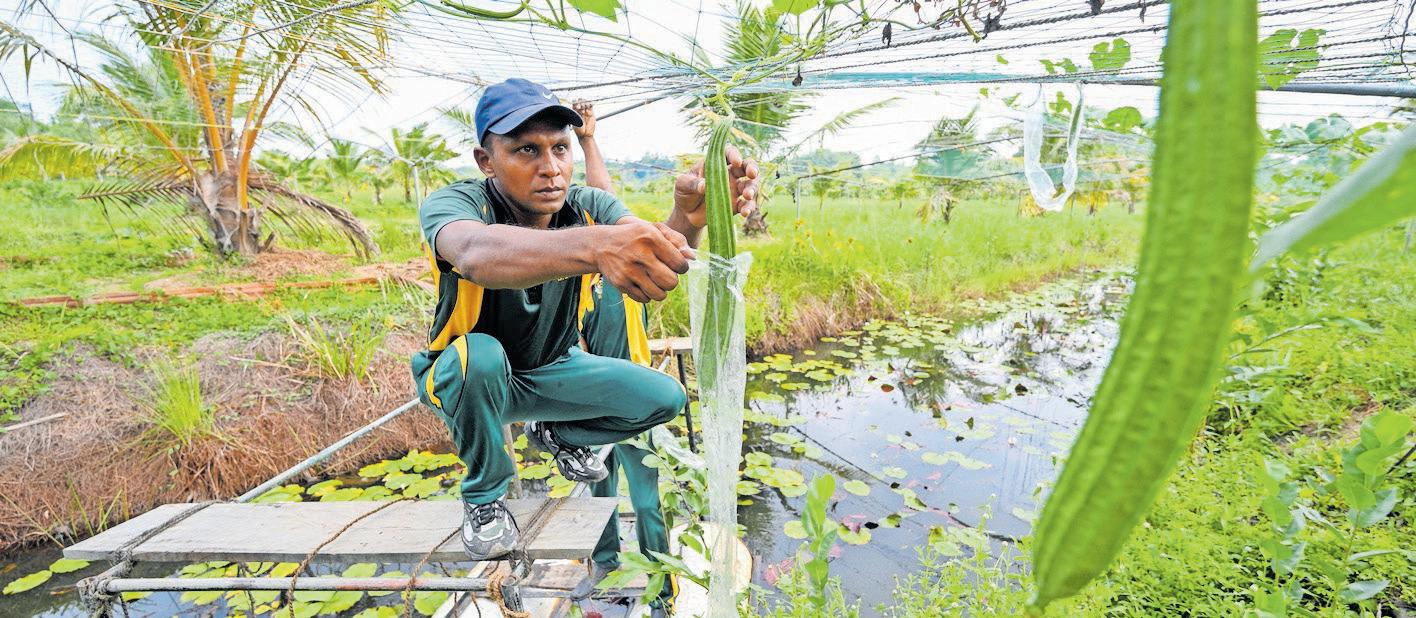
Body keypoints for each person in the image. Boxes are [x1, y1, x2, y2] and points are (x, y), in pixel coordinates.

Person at [410, 78, 757, 579]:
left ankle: (557, 431)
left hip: (553, 369)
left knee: (664, 397)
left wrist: (689, 217)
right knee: (481, 353)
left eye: (560, 148)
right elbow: (474, 254)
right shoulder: (458, 205)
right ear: (486, 161)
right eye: (526, 150)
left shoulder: (588, 206)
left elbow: (648, 248)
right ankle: (484, 498)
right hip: (468, 379)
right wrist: (594, 246)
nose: (550, 167)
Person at [562, 99, 680, 613]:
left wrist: (588, 139)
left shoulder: (628, 280)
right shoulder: (574, 287)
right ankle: (606, 565)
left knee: (648, 500)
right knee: (600, 492)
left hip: (636, 401)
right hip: (593, 405)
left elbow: (604, 197)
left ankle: (661, 589)